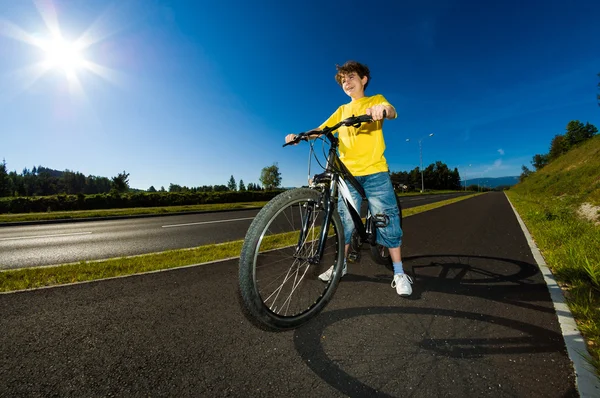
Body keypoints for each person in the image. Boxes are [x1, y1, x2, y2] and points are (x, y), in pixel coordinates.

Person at [285, 60, 412, 297]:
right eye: (343, 80)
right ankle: (340, 265)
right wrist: (301, 136)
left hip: (375, 170)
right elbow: (322, 129)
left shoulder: (375, 101)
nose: (347, 82)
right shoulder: (342, 111)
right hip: (347, 174)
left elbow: (391, 110)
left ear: (363, 79)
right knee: (345, 222)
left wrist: (381, 111)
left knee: (386, 218)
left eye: (351, 77)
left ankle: (399, 272)